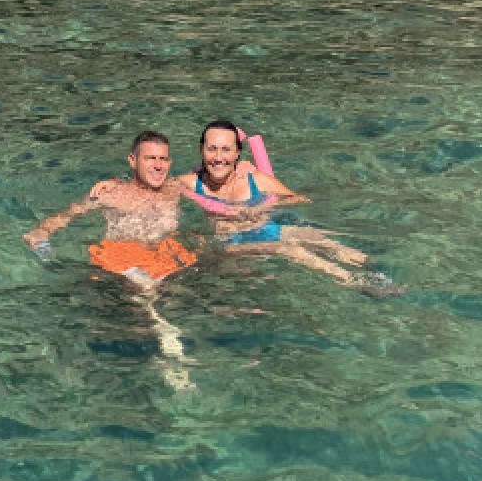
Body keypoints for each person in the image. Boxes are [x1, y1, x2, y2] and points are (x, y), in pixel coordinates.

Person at [23, 130, 198, 390]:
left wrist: (245, 168)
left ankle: (164, 342)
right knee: (147, 293)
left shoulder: (175, 188)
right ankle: (171, 352)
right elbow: (69, 214)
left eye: (163, 159)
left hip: (163, 258)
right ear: (132, 160)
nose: (158, 165)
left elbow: (216, 173)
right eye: (150, 158)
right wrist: (42, 231)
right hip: (122, 260)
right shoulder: (111, 193)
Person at [177, 120, 403, 296]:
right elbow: (161, 190)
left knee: (319, 239)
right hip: (229, 243)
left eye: (226, 150)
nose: (218, 157)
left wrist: (261, 207)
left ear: (237, 153)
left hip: (267, 229)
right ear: (202, 150)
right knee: (289, 249)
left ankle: (379, 269)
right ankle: (354, 281)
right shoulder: (189, 183)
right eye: (212, 149)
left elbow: (299, 199)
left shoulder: (256, 179)